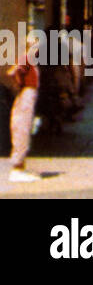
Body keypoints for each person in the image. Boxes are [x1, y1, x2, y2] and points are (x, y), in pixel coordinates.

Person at [6, 32, 41, 182]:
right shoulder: (27, 57)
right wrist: (19, 84)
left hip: (28, 93)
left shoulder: (29, 58)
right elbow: (14, 71)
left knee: (24, 127)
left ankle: (21, 165)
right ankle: (17, 167)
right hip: (27, 93)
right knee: (22, 127)